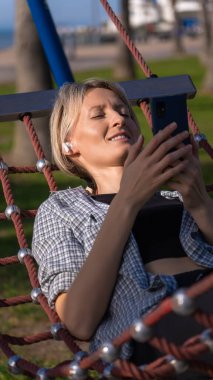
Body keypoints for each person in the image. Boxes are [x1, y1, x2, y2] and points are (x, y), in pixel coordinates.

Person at [32, 78, 213, 364]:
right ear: (69, 144)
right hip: (152, 328)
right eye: (99, 114)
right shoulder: (61, 209)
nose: (119, 118)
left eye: (125, 113)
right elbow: (79, 322)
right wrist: (126, 202)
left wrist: (200, 202)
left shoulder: (178, 192)